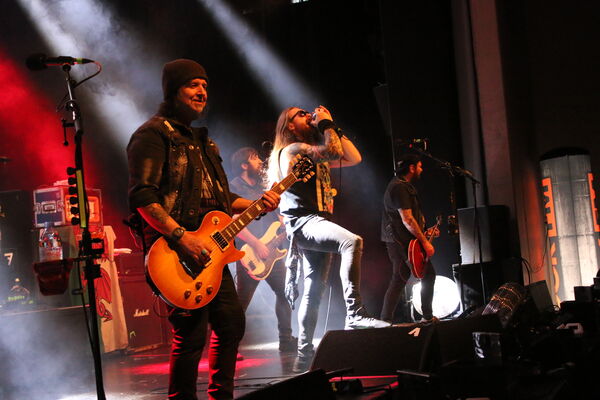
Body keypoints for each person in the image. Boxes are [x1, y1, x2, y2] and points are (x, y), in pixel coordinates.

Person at [127, 59, 280, 400]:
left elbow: (220, 200)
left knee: (231, 325)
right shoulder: (152, 135)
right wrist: (181, 238)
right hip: (176, 252)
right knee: (191, 335)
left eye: (205, 86)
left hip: (212, 253)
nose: (201, 92)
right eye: (192, 85)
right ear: (173, 90)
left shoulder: (204, 143)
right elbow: (142, 196)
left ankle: (220, 396)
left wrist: (258, 203)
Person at [266, 106, 390, 373]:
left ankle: (303, 356)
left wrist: (331, 126)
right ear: (289, 126)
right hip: (303, 221)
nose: (307, 116)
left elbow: (353, 156)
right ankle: (355, 313)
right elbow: (333, 150)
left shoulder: (311, 152)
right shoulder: (292, 150)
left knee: (313, 292)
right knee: (352, 242)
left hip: (318, 222)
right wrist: (325, 124)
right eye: (301, 114)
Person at [229, 147, 296, 353]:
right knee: (240, 305)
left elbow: (275, 216)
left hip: (272, 252)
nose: (260, 161)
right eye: (254, 158)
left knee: (285, 293)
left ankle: (286, 339)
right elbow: (233, 221)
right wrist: (257, 244)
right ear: (244, 165)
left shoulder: (262, 187)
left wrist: (283, 222)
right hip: (248, 253)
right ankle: (229, 347)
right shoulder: (234, 188)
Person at [380, 154, 438, 324]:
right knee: (426, 275)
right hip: (399, 241)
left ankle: (386, 320)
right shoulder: (399, 187)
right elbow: (407, 219)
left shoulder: (402, 186)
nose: (421, 169)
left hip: (402, 240)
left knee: (399, 279)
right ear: (411, 168)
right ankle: (426, 316)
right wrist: (426, 243)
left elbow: (412, 219)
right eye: (419, 166)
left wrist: (426, 232)